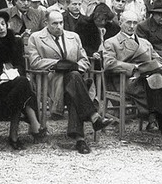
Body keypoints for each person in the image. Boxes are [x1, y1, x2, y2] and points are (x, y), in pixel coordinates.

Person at [27, 11, 114, 154]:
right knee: (74, 81)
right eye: (55, 23)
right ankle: (93, 118)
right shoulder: (36, 38)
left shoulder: (73, 37)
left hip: (75, 82)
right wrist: (63, 65)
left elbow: (84, 59)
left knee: (74, 83)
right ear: (46, 23)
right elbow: (35, 62)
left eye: (61, 22)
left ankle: (80, 140)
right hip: (51, 80)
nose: (59, 26)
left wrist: (78, 66)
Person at [102, 11, 162, 151]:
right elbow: (108, 63)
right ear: (120, 22)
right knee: (158, 88)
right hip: (126, 80)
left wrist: (149, 67)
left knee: (157, 83)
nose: (132, 26)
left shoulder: (145, 43)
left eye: (135, 23)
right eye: (128, 22)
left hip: (147, 79)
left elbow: (159, 60)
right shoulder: (111, 42)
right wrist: (134, 68)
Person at [0, 10, 45, 149]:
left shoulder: (15, 40)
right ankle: (31, 125)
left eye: (3, 24)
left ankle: (17, 134)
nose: (1, 28)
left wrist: (15, 72)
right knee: (23, 85)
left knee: (21, 84)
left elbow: (20, 64)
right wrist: (2, 75)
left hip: (15, 82)